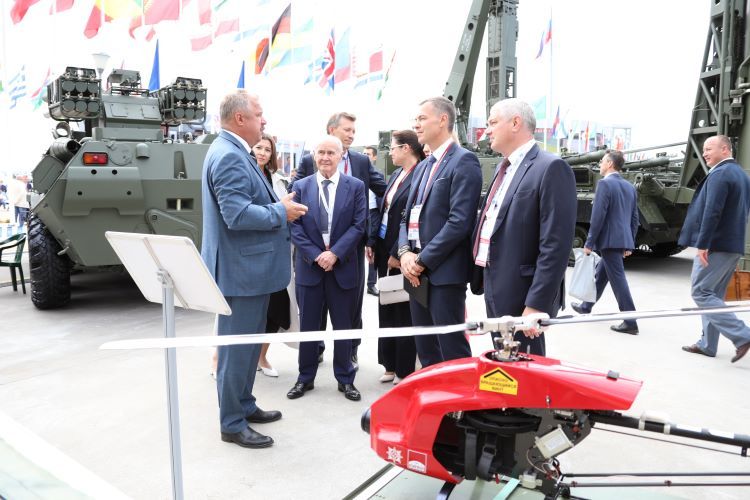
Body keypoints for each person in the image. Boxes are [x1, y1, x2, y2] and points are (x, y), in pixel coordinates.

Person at [201, 89, 307, 449]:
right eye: (259, 114)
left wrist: (277, 204)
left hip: (248, 271)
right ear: (240, 118)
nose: (264, 121)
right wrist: (281, 212)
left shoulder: (233, 151)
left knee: (247, 347)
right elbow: (236, 215)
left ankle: (244, 405)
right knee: (236, 351)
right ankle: (232, 423)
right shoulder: (229, 156)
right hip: (241, 273)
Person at [470, 98, 576, 356]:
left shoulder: (550, 168)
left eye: (493, 123)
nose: (487, 131)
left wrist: (537, 303)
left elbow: (555, 244)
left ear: (515, 123)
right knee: (503, 360)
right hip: (494, 281)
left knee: (525, 364)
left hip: (523, 293)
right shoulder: (503, 168)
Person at [292, 112, 387, 368]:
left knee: (349, 309)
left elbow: (384, 190)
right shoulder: (308, 163)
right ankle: (315, 352)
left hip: (348, 251)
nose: (352, 135)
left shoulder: (361, 162)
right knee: (312, 311)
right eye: (347, 130)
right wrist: (315, 253)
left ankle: (349, 354)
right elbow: (293, 205)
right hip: (312, 254)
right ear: (331, 130)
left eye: (354, 131)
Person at [397, 96, 482, 367]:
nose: (416, 125)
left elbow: (459, 222)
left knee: (451, 350)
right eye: (416, 119)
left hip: (443, 274)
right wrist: (404, 253)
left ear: (443, 120)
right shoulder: (424, 165)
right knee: (426, 349)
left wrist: (422, 260)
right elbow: (406, 217)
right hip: (415, 274)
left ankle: (459, 395)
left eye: (422, 118)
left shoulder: (464, 161)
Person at [287, 135, 367, 401]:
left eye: (331, 153)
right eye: (320, 152)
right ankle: (305, 378)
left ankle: (346, 379)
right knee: (309, 327)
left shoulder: (355, 186)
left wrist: (335, 254)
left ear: (341, 155)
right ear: (313, 155)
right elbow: (295, 227)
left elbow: (359, 225)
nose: (325, 157)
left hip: (342, 268)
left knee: (343, 326)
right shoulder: (300, 186)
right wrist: (316, 255)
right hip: (310, 268)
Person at [679, 135, 750, 363]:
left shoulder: (720, 173)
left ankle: (743, 335)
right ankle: (708, 344)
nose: (705, 153)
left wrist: (703, 244)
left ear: (725, 149)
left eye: (709, 149)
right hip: (732, 244)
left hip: (716, 245)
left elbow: (712, 211)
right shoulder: (741, 174)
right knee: (714, 294)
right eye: (704, 149)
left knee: (701, 292)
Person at [571, 150, 640, 334]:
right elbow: (635, 218)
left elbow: (598, 216)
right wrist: (629, 242)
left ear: (610, 164)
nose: (599, 164)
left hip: (608, 240)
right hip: (620, 239)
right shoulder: (629, 187)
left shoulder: (604, 184)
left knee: (618, 280)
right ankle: (586, 306)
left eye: (602, 161)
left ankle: (630, 321)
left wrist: (589, 243)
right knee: (602, 274)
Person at [372, 130, 422, 383]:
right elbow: (386, 212)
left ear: (406, 148)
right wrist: (374, 243)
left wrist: (397, 253)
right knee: (386, 306)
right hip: (383, 247)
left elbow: (411, 218)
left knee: (404, 310)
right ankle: (389, 364)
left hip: (403, 253)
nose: (389, 152)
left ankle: (404, 369)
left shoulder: (420, 175)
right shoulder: (395, 175)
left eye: (393, 148)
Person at [252, 133, 294, 377]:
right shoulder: (245, 173)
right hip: (253, 253)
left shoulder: (278, 180)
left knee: (277, 308)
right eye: (258, 147)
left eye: (267, 150)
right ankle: (220, 358)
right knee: (243, 311)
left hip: (277, 253)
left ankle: (261, 356)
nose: (262, 153)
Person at [363, 145, 381, 296]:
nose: (365, 156)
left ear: (374, 157)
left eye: (368, 154)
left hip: (373, 213)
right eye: (363, 153)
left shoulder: (378, 174)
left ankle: (371, 284)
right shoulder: (356, 172)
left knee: (372, 248)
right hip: (358, 214)